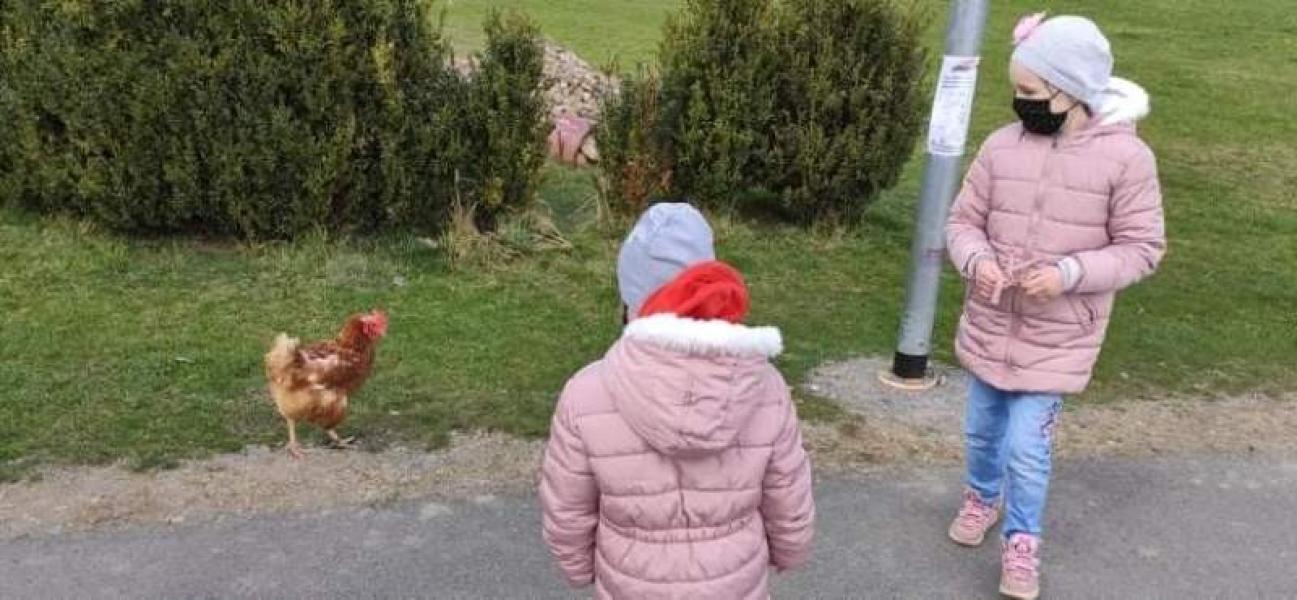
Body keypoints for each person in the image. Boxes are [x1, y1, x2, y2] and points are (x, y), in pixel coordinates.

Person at [944, 13, 1166, 600]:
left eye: (1031, 92)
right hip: (991, 324)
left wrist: (1069, 274)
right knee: (982, 431)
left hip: (1059, 337)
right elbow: (963, 222)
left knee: (1027, 447)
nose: (1021, 103)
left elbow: (1142, 248)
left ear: (1070, 91)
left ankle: (1022, 540)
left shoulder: (1127, 160)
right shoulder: (1001, 147)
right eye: (1016, 90)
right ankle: (981, 495)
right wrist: (977, 261)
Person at [539, 202, 815, 599]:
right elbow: (788, 494)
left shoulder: (587, 393)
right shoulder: (763, 386)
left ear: (630, 299)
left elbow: (568, 510)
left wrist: (579, 568)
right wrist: (789, 551)